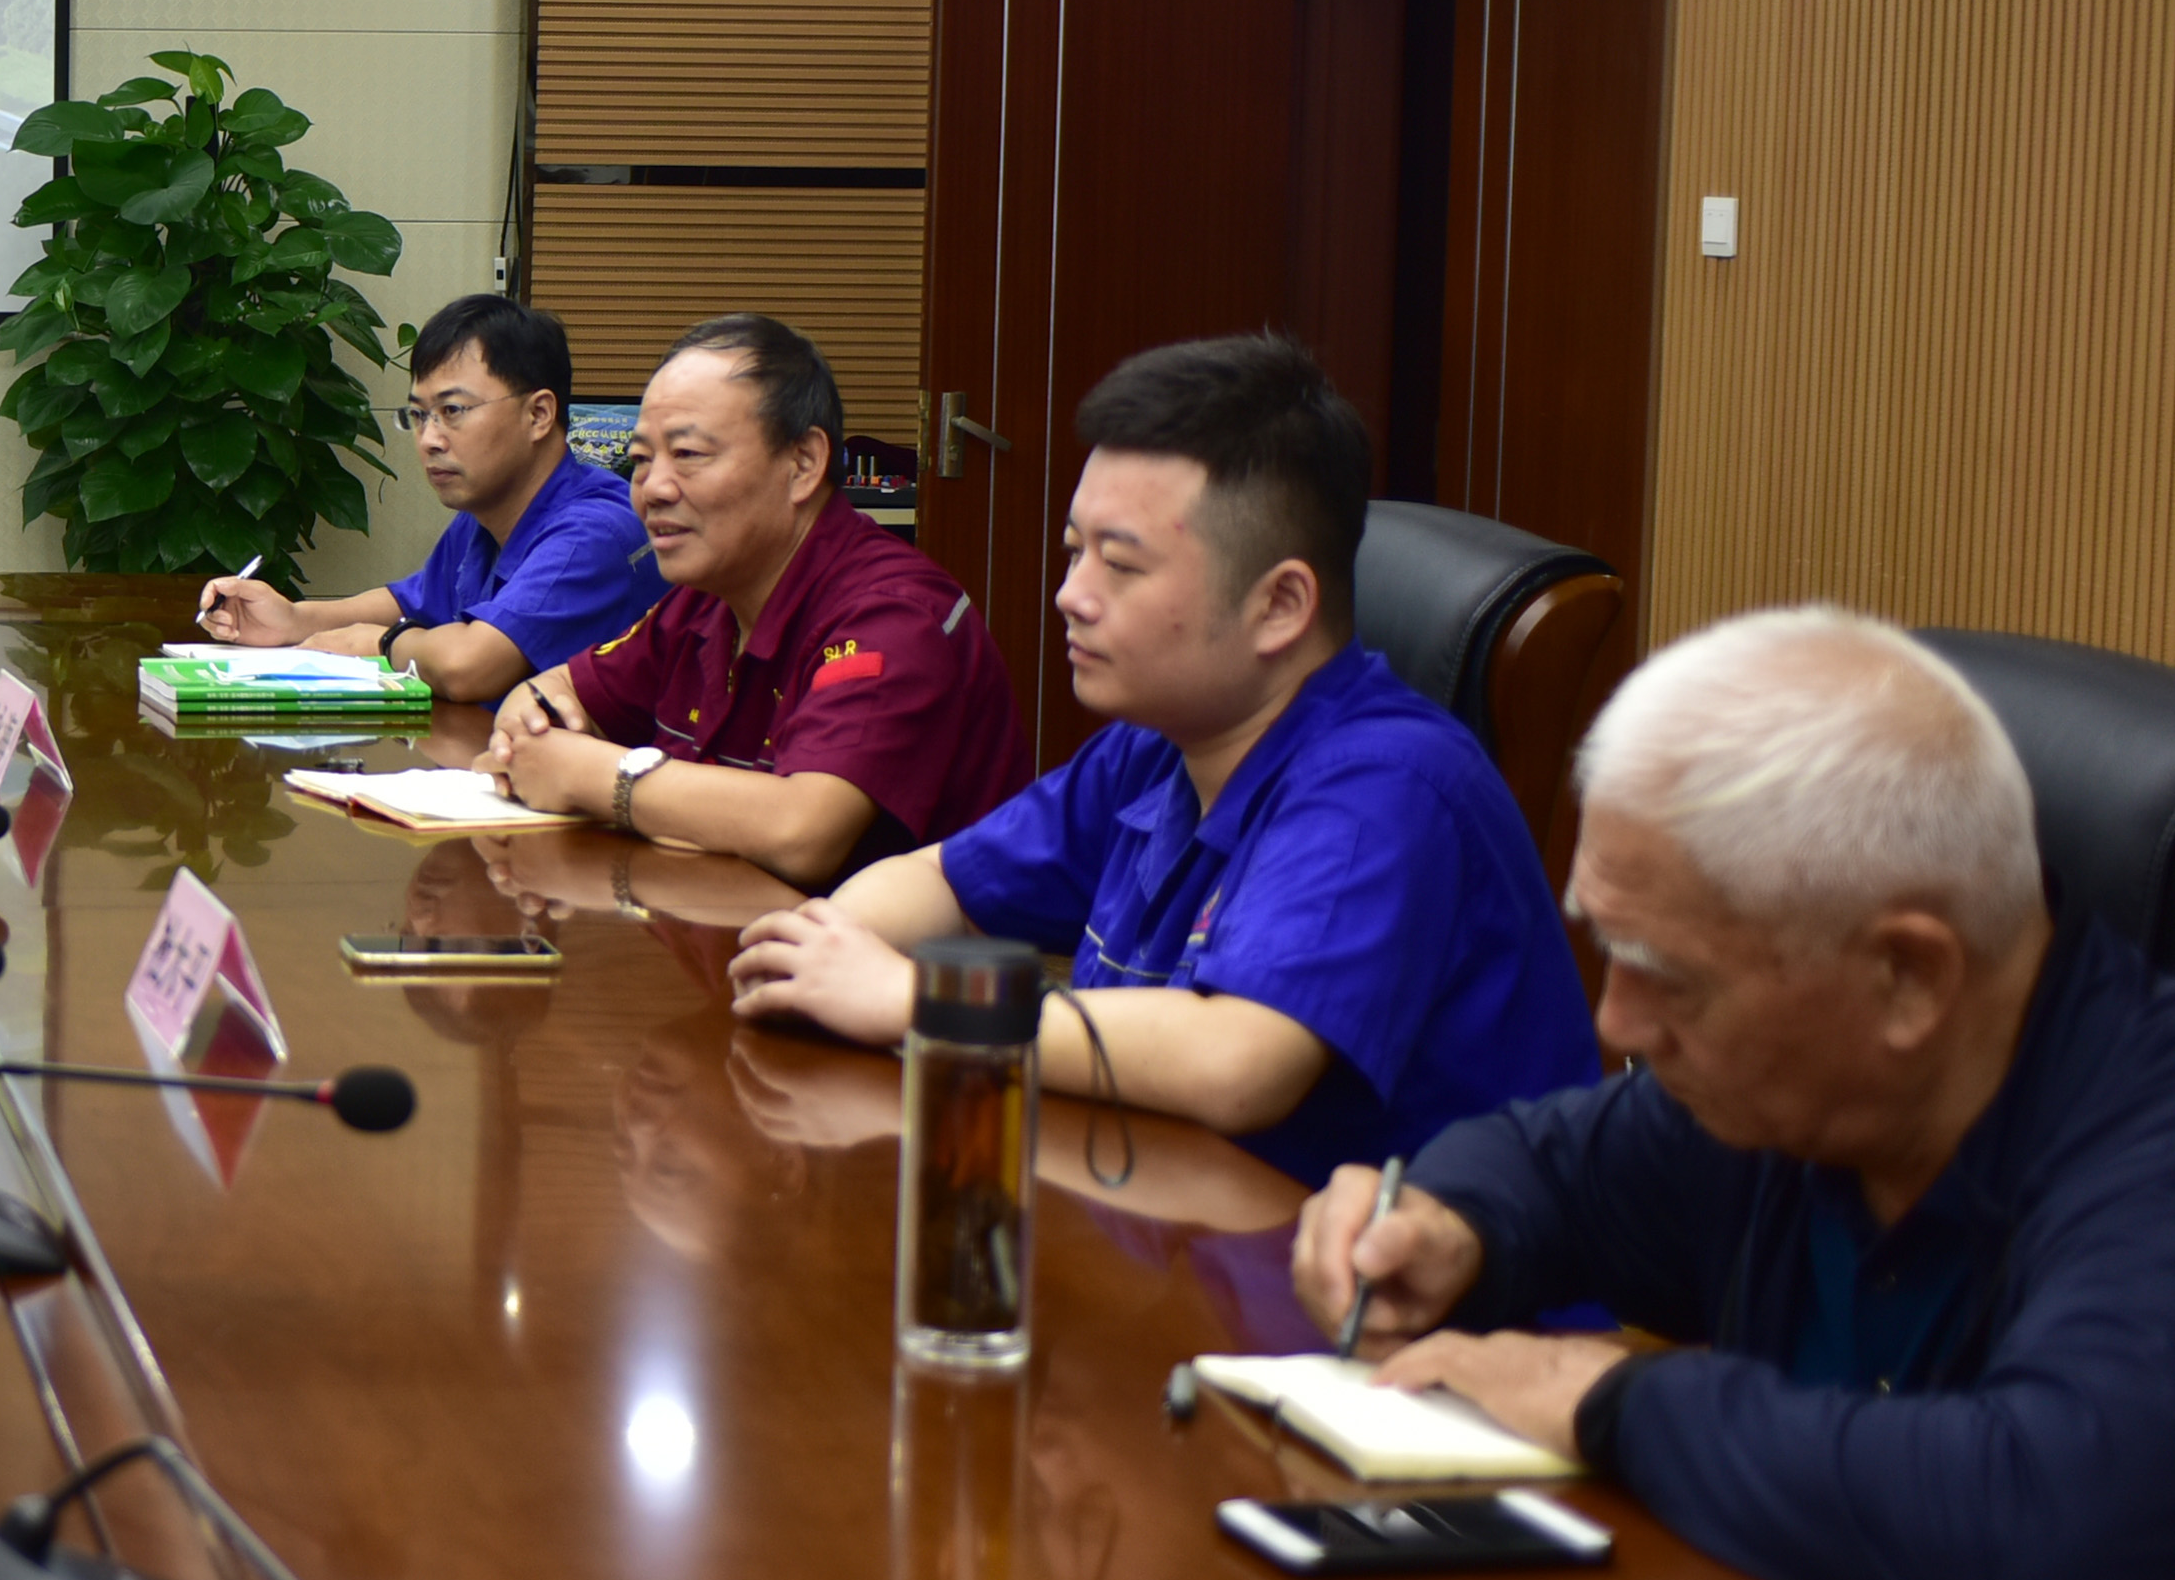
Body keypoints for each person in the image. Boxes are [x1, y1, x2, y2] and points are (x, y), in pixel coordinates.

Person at [1292, 608, 2175, 1580]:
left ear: (1908, 977)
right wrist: (1450, 1228)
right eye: (1608, 950)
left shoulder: (2142, 1148)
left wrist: (1614, 1404)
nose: (1615, 1023)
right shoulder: (1787, 1096)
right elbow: (1544, 1165)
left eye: (1668, 978)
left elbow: (2046, 1522)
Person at [725, 335, 1599, 1180]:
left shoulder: (1387, 788)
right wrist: (831, 954)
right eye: (1074, 551)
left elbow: (1236, 1060)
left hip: (1370, 1273)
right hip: (1165, 1218)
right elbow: (943, 881)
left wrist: (912, 998)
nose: (1070, 595)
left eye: (1121, 565)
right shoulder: (1159, 745)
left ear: (1280, 605)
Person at [485, 312, 1027, 886]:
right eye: (641, 460)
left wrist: (598, 776)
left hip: (887, 944)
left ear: (803, 464)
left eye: (688, 454)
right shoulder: (707, 597)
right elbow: (561, 688)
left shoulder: (894, 615)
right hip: (713, 919)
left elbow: (802, 832)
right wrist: (532, 720)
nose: (653, 489)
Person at [191, 294, 659, 701]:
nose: (430, 439)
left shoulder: (594, 531)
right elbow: (410, 602)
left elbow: (467, 666)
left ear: (538, 414)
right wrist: (294, 619)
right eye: (418, 415)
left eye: (452, 410)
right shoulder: (485, 513)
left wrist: (383, 644)